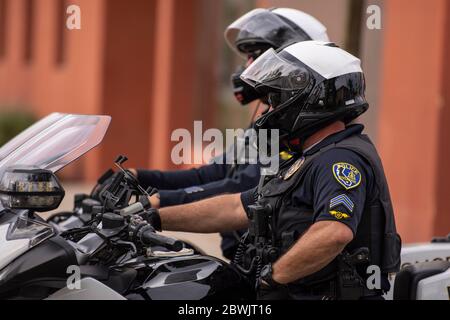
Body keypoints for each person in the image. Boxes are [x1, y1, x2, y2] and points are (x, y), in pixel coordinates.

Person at [145, 41, 402, 300]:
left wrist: (273, 277)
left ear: (314, 97)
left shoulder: (339, 159)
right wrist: (154, 218)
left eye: (278, 98)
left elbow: (334, 232)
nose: (272, 108)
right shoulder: (305, 157)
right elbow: (236, 207)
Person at [127, 8, 330, 260]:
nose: (246, 67)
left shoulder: (295, 125)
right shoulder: (268, 117)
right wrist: (139, 178)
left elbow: (244, 185)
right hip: (244, 256)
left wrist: (159, 203)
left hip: (274, 263)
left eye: (255, 56)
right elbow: (218, 171)